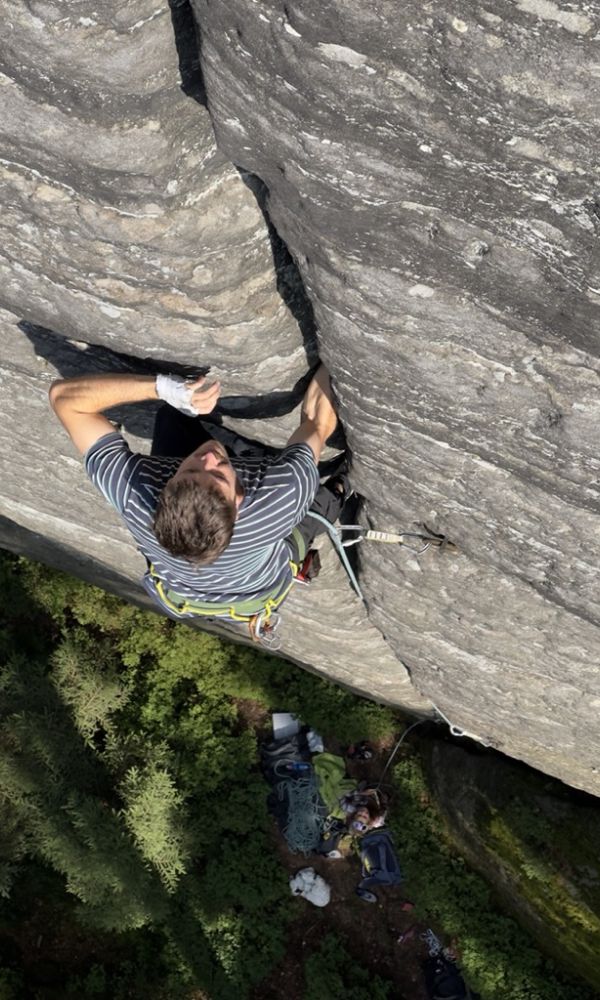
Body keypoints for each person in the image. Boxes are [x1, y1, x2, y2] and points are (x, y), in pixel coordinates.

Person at [49, 365, 348, 623]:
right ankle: (335, 497)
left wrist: (164, 388)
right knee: (323, 502)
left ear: (165, 489)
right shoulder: (281, 496)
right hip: (259, 584)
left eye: (190, 471)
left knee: (171, 416)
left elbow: (63, 400)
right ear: (239, 501)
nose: (207, 457)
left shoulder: (137, 497)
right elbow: (316, 424)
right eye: (219, 474)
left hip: (185, 590)